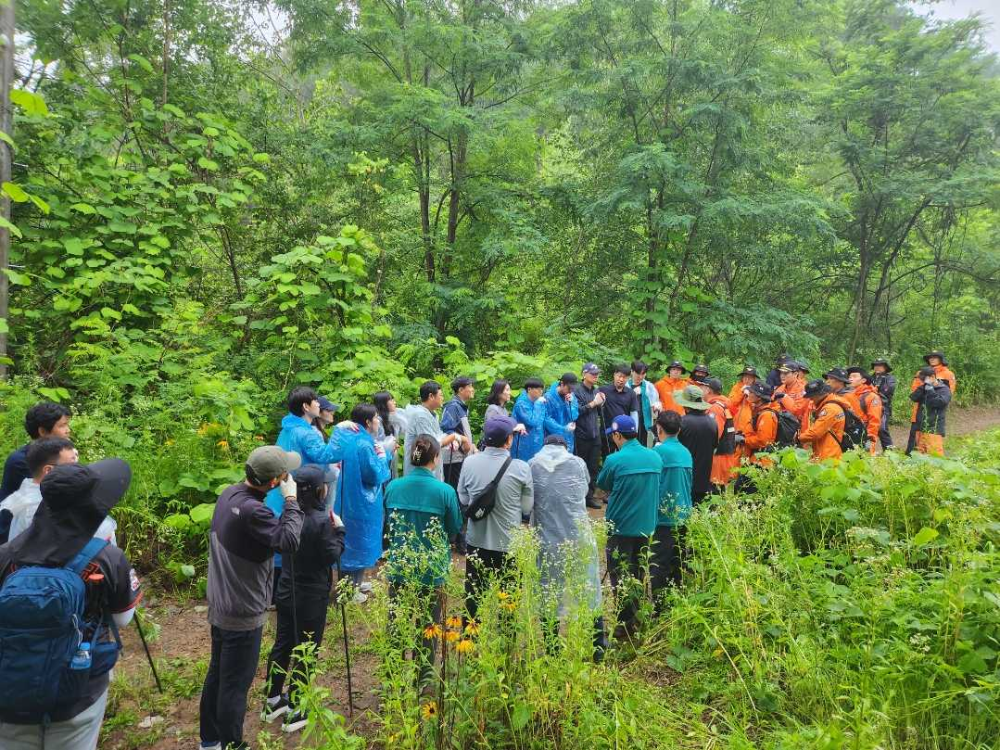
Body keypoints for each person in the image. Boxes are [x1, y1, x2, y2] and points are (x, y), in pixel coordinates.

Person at [0, 459, 139, 750]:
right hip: (79, 688)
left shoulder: (6, 555)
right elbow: (123, 619)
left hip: (10, 689)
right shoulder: (106, 557)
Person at [200, 445, 304, 750]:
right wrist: (291, 499)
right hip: (242, 610)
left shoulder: (230, 494)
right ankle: (232, 744)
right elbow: (289, 540)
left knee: (218, 674)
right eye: (284, 474)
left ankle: (210, 741)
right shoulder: (254, 512)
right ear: (274, 481)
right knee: (235, 684)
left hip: (221, 601)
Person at [262, 466, 346, 733]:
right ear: (319, 490)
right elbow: (331, 555)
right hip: (311, 596)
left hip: (286, 589)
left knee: (284, 643)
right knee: (307, 650)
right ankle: (296, 708)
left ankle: (272, 700)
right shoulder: (322, 521)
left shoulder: (289, 515)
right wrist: (340, 531)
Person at [384, 435, 462, 684]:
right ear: (436, 458)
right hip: (432, 570)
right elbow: (454, 527)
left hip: (400, 566)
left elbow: (388, 523)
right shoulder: (445, 491)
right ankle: (424, 680)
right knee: (429, 625)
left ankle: (393, 678)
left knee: (396, 622)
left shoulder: (393, 487)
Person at [529, 435, 606, 661]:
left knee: (548, 590)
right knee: (589, 588)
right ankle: (598, 647)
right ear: (564, 446)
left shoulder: (532, 465)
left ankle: (552, 650)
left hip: (547, 539)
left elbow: (529, 501)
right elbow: (583, 490)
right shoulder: (577, 463)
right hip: (578, 536)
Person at [267, 387, 349, 591]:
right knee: (302, 539)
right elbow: (327, 455)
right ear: (305, 406)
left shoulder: (288, 429)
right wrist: (340, 431)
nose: (319, 404)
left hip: (283, 490)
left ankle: (277, 591)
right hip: (302, 492)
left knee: (285, 535)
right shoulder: (306, 433)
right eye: (315, 401)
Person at [458, 417, 534, 621]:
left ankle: (470, 636)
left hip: (476, 541)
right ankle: (506, 637)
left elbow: (463, 498)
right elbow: (527, 508)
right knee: (509, 600)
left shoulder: (469, 462)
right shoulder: (521, 468)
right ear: (508, 440)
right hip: (509, 543)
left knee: (473, 598)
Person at [596, 415, 660, 639]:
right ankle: (638, 618)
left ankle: (624, 625)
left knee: (620, 575)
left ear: (617, 435)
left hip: (621, 528)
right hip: (647, 527)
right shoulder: (654, 457)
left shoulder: (614, 460)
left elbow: (603, 484)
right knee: (639, 572)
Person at [0, 438, 116, 546]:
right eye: (72, 464)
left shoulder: (24, 497)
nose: (80, 469)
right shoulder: (36, 509)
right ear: (48, 470)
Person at [334, 404, 391, 600]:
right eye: (376, 418)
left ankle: (355, 583)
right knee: (357, 544)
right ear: (367, 422)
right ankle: (349, 591)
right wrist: (384, 456)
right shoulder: (364, 444)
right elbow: (374, 475)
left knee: (354, 544)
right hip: (360, 503)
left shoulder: (352, 439)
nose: (378, 421)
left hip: (349, 500)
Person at [650, 411, 692, 612]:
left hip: (664, 517)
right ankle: (676, 604)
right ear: (679, 430)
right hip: (684, 514)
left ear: (659, 429)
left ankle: (661, 609)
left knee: (659, 564)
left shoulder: (658, 453)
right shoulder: (686, 452)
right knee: (678, 561)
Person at [0, 401, 72, 503]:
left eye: (67, 425)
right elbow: (51, 495)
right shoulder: (21, 461)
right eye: (62, 426)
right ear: (42, 431)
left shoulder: (58, 453)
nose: (68, 430)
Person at [401, 381, 469, 480]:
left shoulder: (432, 415)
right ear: (431, 396)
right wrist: (455, 437)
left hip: (431, 467)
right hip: (420, 471)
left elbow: (439, 436)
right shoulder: (420, 416)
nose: (443, 398)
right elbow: (430, 444)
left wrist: (451, 440)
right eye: (441, 395)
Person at [674, 385, 718, 506]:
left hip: (684, 476)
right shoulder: (712, 423)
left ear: (685, 405)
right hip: (704, 478)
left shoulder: (681, 422)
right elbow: (714, 447)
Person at [906, 351, 957, 454]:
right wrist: (923, 387)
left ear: (941, 359)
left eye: (935, 357)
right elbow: (914, 391)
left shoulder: (948, 374)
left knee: (933, 444)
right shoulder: (920, 373)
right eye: (930, 357)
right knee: (915, 440)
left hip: (935, 411)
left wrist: (931, 389)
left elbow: (946, 396)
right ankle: (911, 456)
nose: (932, 359)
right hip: (919, 409)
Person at [573, 363, 606, 509]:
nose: (595, 376)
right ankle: (579, 497)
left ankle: (589, 496)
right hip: (581, 435)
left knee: (593, 467)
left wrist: (601, 403)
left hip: (595, 434)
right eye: (593, 373)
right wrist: (593, 403)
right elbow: (576, 412)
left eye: (597, 373)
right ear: (584, 374)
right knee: (581, 467)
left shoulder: (596, 390)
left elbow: (599, 412)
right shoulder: (576, 390)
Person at [699, 378, 739, 490]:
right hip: (722, 457)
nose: (699, 390)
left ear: (708, 390)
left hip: (717, 459)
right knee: (718, 489)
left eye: (701, 387)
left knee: (713, 490)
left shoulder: (715, 408)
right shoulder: (722, 405)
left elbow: (713, 435)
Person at [440, 377, 477, 490]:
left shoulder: (460, 406)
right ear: (460, 390)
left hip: (460, 457)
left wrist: (471, 445)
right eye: (470, 386)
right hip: (454, 458)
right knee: (454, 490)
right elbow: (446, 428)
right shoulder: (453, 406)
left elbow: (461, 429)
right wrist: (464, 443)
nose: (472, 389)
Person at [798, 380, 846, 462]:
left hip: (829, 455)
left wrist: (799, 437)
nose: (811, 399)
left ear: (818, 395)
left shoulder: (830, 409)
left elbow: (815, 433)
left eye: (812, 397)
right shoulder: (831, 405)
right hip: (829, 452)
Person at [599, 365, 640, 455]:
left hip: (624, 434)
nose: (621, 379)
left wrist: (634, 433)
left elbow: (634, 414)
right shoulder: (603, 390)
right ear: (614, 375)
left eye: (624, 377)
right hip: (607, 432)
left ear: (628, 378)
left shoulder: (631, 393)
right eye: (619, 376)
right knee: (608, 457)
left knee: (624, 457)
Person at [846, 368, 883, 454]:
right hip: (850, 434)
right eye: (849, 377)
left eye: (854, 376)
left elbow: (874, 420)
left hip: (864, 434)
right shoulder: (847, 395)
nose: (850, 379)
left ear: (863, 380)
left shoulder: (872, 397)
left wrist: (870, 439)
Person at [511, 378, 548, 462]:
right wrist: (538, 404)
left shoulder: (537, 402)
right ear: (529, 389)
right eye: (538, 389)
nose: (541, 391)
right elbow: (532, 421)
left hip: (536, 442)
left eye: (542, 389)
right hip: (522, 443)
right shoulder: (521, 404)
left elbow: (542, 420)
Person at [543, 373, 580, 451]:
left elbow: (574, 416)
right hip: (553, 439)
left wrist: (569, 404)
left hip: (569, 438)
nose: (571, 391)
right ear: (562, 384)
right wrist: (563, 429)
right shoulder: (548, 397)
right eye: (569, 388)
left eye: (573, 389)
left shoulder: (571, 396)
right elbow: (547, 420)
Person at [629, 360, 662, 447]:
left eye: (643, 374)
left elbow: (655, 401)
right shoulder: (626, 386)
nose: (640, 377)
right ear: (632, 371)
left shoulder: (649, 386)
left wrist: (656, 406)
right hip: (629, 420)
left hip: (644, 421)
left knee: (644, 444)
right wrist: (632, 394)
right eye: (638, 373)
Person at [374, 390, 405, 480]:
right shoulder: (377, 422)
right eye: (391, 400)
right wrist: (390, 445)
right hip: (381, 462)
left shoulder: (392, 419)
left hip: (390, 460)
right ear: (383, 404)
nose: (394, 402)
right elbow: (375, 444)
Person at [774, 361, 811, 430]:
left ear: (795, 374)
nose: (782, 376)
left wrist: (785, 397)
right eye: (781, 372)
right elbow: (772, 406)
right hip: (782, 425)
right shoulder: (780, 388)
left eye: (786, 373)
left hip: (798, 429)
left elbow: (797, 411)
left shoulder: (803, 389)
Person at [870, 358, 897, 451]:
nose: (877, 367)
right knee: (868, 429)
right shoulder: (870, 378)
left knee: (882, 429)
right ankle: (867, 452)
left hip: (883, 407)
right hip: (869, 407)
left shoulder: (890, 378)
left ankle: (889, 452)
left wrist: (875, 390)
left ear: (885, 367)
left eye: (880, 365)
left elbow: (888, 390)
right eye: (876, 365)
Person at [728, 366, 759, 437]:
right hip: (733, 421)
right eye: (745, 377)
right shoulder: (737, 387)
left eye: (750, 378)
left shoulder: (757, 390)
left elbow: (755, 408)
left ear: (754, 379)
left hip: (747, 423)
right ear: (742, 377)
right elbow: (731, 403)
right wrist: (741, 392)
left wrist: (749, 397)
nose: (747, 380)